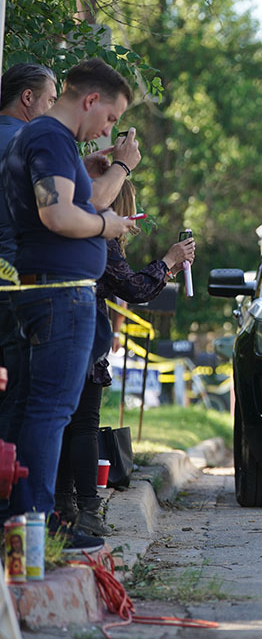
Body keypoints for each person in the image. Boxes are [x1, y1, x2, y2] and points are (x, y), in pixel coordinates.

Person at [1, 58, 139, 552]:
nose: (108, 129)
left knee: (33, 410)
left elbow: (67, 199)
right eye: (109, 117)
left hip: (50, 290)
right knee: (50, 412)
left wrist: (89, 175)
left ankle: (25, 527)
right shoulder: (49, 138)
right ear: (90, 100)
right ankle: (33, 531)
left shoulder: (43, 140)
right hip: (60, 293)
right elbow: (58, 213)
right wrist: (109, 222)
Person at [55, 179, 195, 536]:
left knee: (61, 423)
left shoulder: (70, 226)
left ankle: (63, 505)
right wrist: (168, 260)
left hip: (52, 329)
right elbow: (132, 287)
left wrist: (168, 269)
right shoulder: (100, 237)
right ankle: (87, 508)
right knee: (83, 424)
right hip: (81, 334)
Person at [0, 64, 59, 442]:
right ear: (27, 98)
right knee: (19, 390)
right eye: (50, 100)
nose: (53, 109)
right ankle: (11, 499)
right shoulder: (33, 142)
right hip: (17, 279)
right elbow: (57, 210)